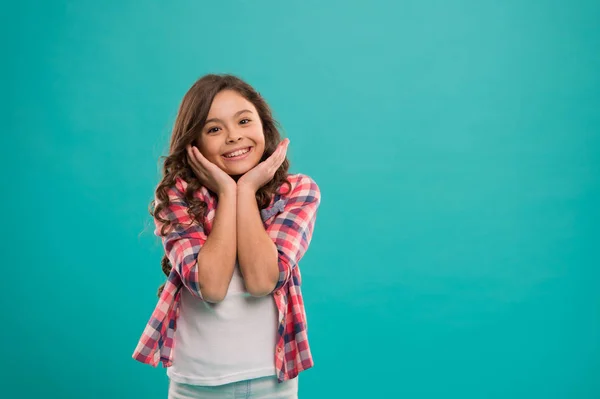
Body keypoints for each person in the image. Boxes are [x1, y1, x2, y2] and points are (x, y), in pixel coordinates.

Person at [132, 74, 321, 398]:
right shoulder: (176, 198)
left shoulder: (297, 191)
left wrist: (245, 189)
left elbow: (263, 280)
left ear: (263, 127)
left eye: (244, 121)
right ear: (195, 143)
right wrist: (226, 192)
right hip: (196, 383)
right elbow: (212, 286)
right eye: (214, 129)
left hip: (273, 381)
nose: (234, 137)